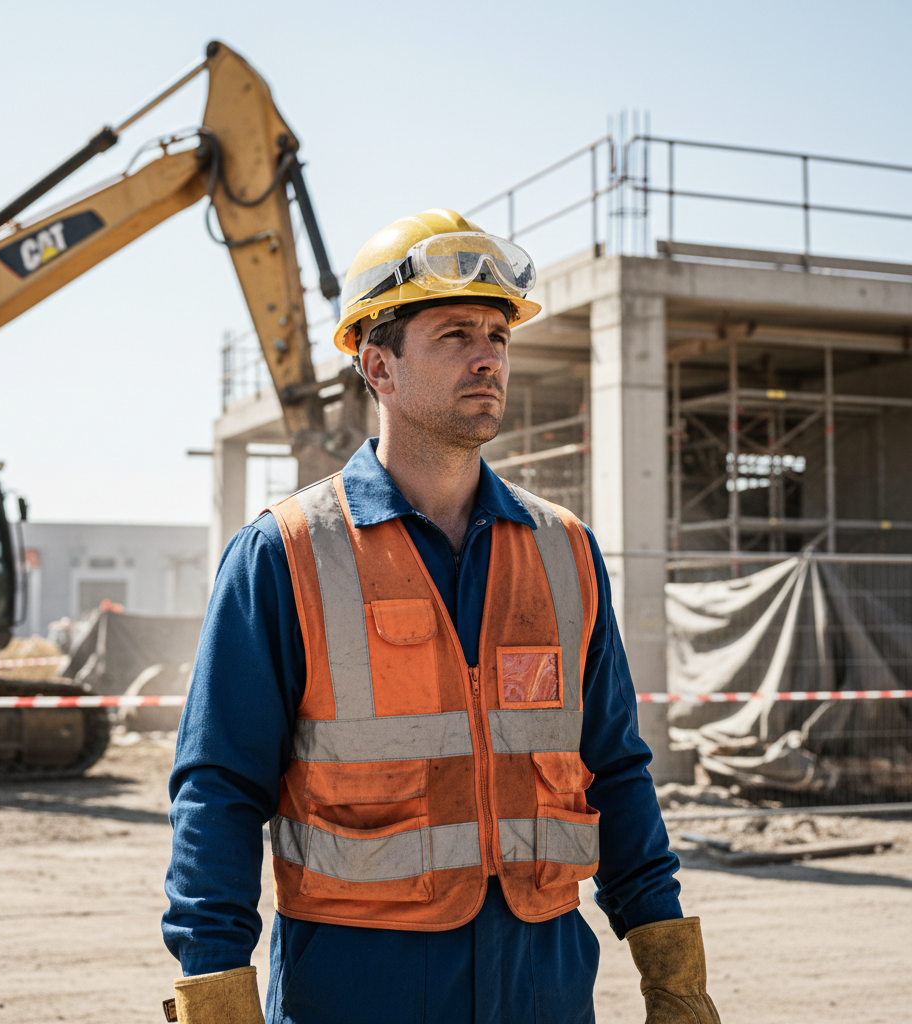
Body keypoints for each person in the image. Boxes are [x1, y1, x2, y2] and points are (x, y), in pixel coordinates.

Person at [163, 209, 720, 1024]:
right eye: (455, 333)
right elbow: (218, 790)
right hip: (355, 988)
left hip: (543, 983)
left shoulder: (564, 553)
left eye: (497, 333)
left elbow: (617, 774)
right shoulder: (283, 555)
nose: (488, 355)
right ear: (377, 365)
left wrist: (670, 971)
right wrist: (215, 990)